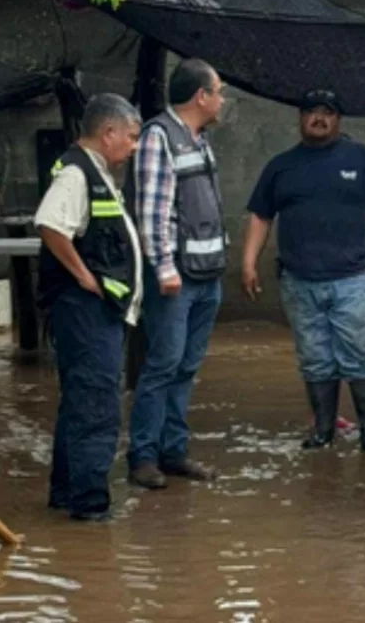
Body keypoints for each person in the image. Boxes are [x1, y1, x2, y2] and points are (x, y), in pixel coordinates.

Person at [241, 88, 365, 454]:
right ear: (300, 118)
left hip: (351, 278)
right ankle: (322, 431)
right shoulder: (280, 166)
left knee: (359, 353)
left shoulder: (362, 158)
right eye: (311, 112)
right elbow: (261, 216)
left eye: (327, 112)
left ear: (338, 119)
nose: (319, 118)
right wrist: (247, 262)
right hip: (298, 279)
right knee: (314, 357)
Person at [35, 93, 142, 521]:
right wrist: (83, 276)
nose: (133, 147)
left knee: (79, 401)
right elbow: (50, 224)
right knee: (97, 405)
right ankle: (90, 507)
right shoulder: (77, 175)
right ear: (108, 132)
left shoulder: (91, 171)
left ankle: (66, 493)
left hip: (92, 309)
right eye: (131, 138)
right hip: (85, 310)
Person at [126, 58, 226, 489]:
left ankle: (173, 451)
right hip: (176, 278)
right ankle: (143, 457)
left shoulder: (199, 140)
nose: (223, 100)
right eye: (218, 91)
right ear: (201, 96)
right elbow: (152, 212)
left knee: (186, 367)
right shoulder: (158, 138)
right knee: (162, 365)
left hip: (206, 274)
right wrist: (164, 269)